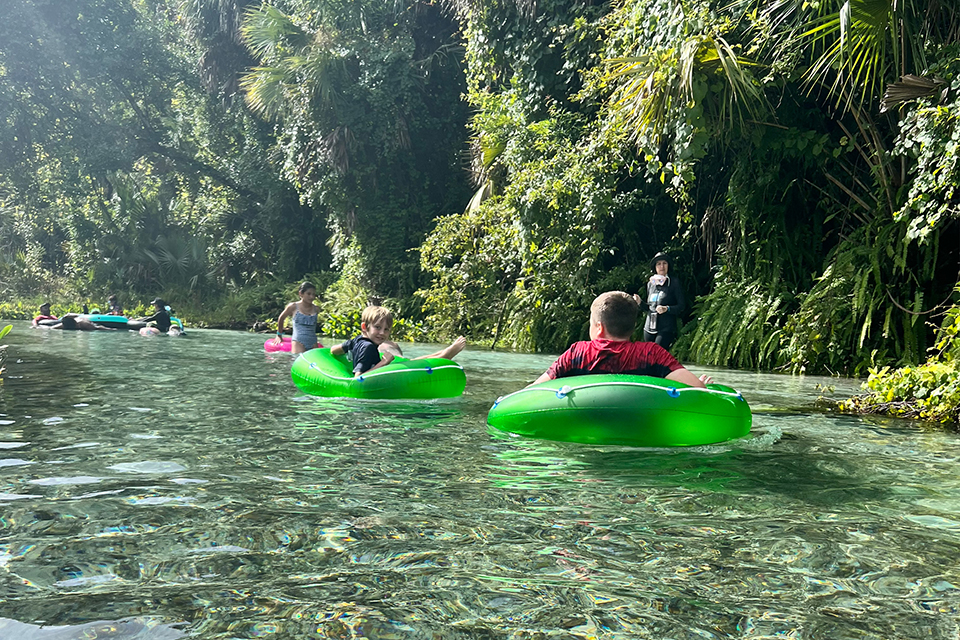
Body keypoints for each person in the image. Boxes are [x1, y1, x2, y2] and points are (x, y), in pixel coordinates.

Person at [530, 291, 710, 388]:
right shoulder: (650, 353)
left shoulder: (578, 352)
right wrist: (701, 383)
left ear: (599, 328)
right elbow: (695, 387)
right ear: (632, 328)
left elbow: (534, 390)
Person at [331, 305, 466, 377]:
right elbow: (358, 378)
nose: (382, 333)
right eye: (377, 328)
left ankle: (442, 354)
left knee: (410, 362)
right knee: (411, 364)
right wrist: (384, 362)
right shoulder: (368, 348)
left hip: (378, 365)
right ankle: (443, 356)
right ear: (365, 327)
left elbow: (333, 350)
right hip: (379, 372)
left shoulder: (355, 340)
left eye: (386, 329)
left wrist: (348, 355)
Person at [639, 252, 685, 351]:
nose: (662, 266)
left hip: (665, 328)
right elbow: (649, 308)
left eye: (664, 263)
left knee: (658, 356)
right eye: (658, 264)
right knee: (648, 359)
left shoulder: (674, 282)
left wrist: (667, 309)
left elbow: (681, 306)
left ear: (668, 265)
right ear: (655, 267)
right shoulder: (650, 284)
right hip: (649, 328)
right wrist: (640, 302)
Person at [272, 282, 321, 354]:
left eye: (313, 294)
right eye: (309, 294)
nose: (312, 297)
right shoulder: (293, 306)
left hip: (313, 341)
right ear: (301, 293)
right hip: (298, 341)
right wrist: (279, 335)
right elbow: (281, 318)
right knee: (297, 359)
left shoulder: (316, 309)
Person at [49, 313, 115, 331]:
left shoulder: (84, 324)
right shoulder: (65, 325)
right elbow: (52, 328)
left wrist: (111, 329)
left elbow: (98, 327)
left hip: (84, 319)